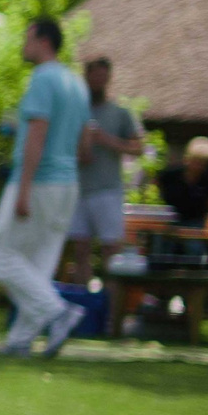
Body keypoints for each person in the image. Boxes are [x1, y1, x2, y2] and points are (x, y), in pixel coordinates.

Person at [0, 17, 91, 357]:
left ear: (42, 41)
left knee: (1, 257)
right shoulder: (76, 83)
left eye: (27, 37)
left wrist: (25, 188)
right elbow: (84, 144)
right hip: (67, 184)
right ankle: (19, 340)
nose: (23, 44)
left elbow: (37, 133)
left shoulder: (43, 79)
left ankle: (58, 313)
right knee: (38, 266)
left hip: (40, 181)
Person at [63, 56, 143, 282]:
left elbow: (138, 148)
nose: (98, 80)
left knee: (111, 250)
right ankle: (82, 305)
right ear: (86, 77)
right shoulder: (74, 112)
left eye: (102, 76)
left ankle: (111, 305)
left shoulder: (120, 113)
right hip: (77, 190)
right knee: (80, 250)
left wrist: (107, 141)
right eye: (94, 75)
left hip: (107, 191)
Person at [157, 135, 208, 228]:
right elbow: (155, 189)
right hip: (169, 219)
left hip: (196, 222)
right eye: (196, 161)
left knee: (194, 241)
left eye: (203, 163)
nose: (198, 166)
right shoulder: (169, 175)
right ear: (187, 159)